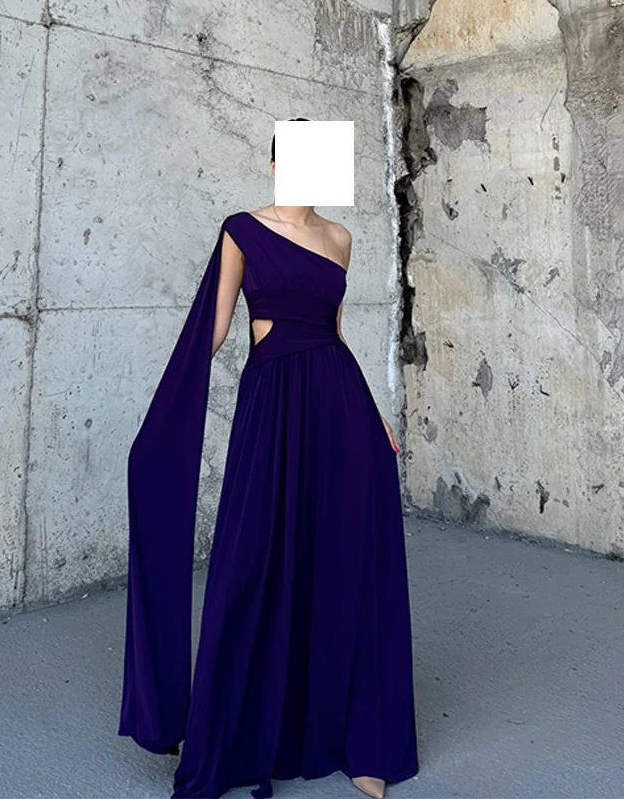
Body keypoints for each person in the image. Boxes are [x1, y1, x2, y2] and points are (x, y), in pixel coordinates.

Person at [119, 120, 420, 799]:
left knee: (345, 559)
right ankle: (232, 732)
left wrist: (373, 412)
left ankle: (361, 742)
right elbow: (214, 328)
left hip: (339, 404)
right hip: (272, 401)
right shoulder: (242, 230)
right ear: (279, 163)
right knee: (252, 559)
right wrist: (168, 414)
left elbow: (335, 332)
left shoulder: (341, 239)